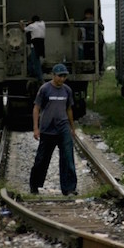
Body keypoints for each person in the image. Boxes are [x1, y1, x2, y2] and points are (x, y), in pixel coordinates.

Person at [29, 63, 77, 196]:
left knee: (68, 158)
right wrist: (35, 128)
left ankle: (69, 188)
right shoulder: (44, 89)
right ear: (53, 75)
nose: (62, 79)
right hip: (47, 129)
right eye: (60, 76)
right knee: (42, 159)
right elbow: (36, 108)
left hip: (63, 128)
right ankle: (34, 185)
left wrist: (72, 128)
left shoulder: (67, 90)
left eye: (64, 76)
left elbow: (69, 109)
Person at [20, 15, 45, 82]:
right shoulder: (42, 24)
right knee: (31, 59)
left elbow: (23, 29)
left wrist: (21, 23)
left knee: (36, 62)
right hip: (41, 45)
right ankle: (32, 72)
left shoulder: (32, 26)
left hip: (34, 45)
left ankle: (40, 78)